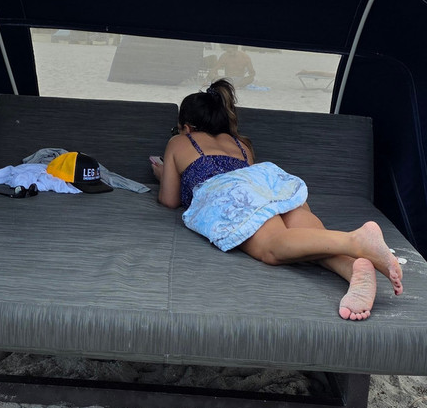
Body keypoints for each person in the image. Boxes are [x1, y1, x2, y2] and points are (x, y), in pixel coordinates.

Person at [151, 79, 403, 321]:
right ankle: (354, 270)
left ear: (186, 127)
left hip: (229, 190)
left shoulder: (180, 141)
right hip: (269, 180)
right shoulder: (240, 145)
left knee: (271, 247)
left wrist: (164, 175)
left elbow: (169, 200)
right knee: (309, 239)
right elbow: (247, 178)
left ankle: (356, 240)